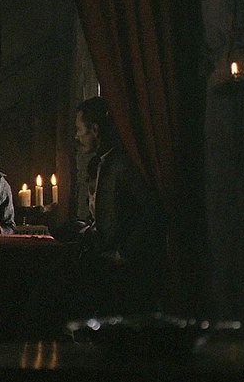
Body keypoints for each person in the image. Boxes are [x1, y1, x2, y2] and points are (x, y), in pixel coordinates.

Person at [62, 96, 166, 317]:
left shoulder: (122, 166)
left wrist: (124, 253)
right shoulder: (100, 164)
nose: (76, 137)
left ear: (95, 130)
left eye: (79, 130)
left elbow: (152, 211)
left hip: (124, 271)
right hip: (104, 260)